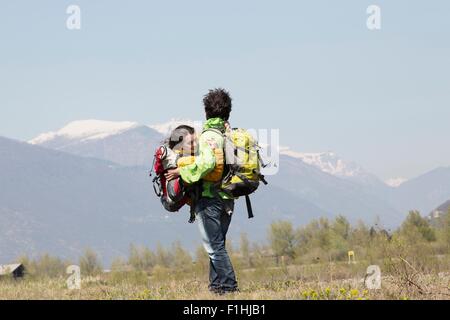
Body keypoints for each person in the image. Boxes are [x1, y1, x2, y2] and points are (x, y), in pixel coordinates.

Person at [164, 88, 238, 294]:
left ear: (206, 111)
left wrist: (181, 171)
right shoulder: (227, 132)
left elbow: (207, 163)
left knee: (214, 248)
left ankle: (230, 288)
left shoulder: (209, 136)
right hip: (227, 197)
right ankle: (217, 288)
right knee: (217, 246)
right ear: (228, 112)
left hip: (210, 198)